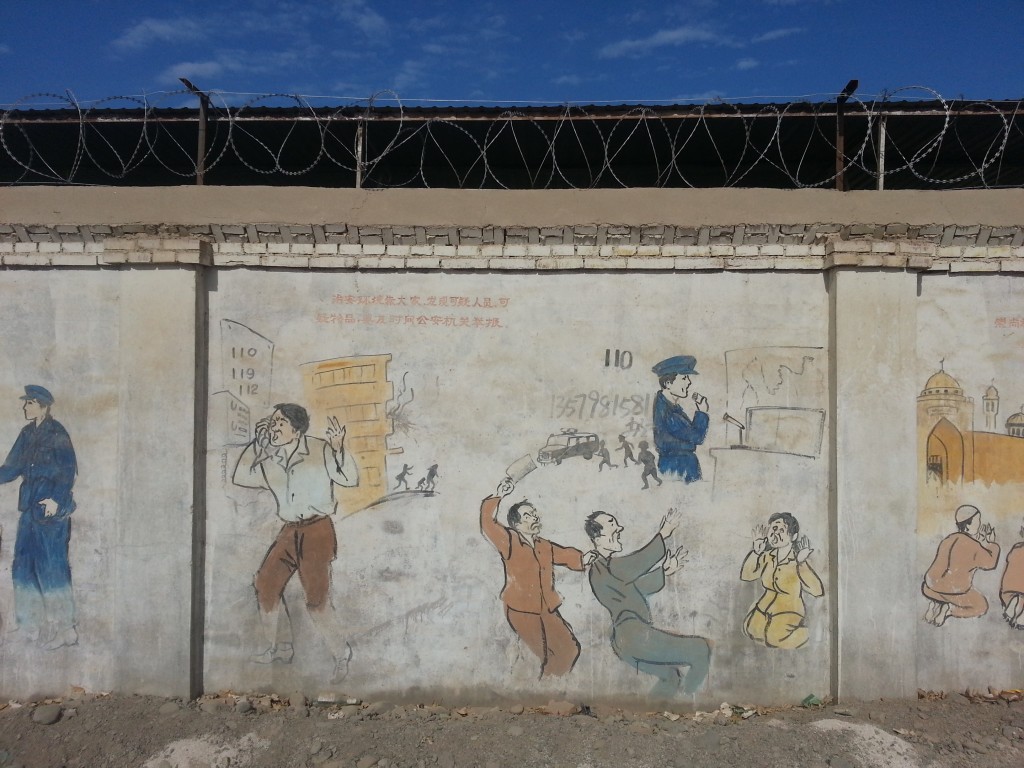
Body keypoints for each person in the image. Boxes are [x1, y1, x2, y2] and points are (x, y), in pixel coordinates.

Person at [232, 403, 358, 676]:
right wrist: (257, 443)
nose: (274, 428)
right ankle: (279, 648)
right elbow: (240, 476)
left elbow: (350, 478)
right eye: (272, 422)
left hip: (317, 531)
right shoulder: (271, 458)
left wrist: (338, 449)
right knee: (265, 583)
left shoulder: (319, 449)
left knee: (316, 601)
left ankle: (341, 652)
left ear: (296, 429)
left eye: (280, 423)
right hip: (290, 530)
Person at [585, 509, 711, 698]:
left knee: (670, 676)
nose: (619, 527)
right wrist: (663, 534)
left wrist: (664, 571)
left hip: (626, 640)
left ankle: (654, 711)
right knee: (701, 648)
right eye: (611, 523)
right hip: (633, 634)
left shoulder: (609, 571)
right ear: (598, 536)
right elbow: (637, 563)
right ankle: (690, 702)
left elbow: (635, 588)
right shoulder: (602, 566)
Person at [479, 477, 592, 677]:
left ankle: (549, 683)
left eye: (534, 513)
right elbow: (487, 523)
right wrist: (499, 494)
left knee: (570, 648)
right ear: (516, 523)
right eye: (528, 515)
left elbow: (566, 555)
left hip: (546, 608)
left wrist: (585, 558)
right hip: (521, 610)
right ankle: (546, 686)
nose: (534, 517)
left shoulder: (543, 545)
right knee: (546, 653)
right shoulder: (510, 541)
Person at [0, 386, 78, 650]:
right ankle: (29, 625)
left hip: (51, 512)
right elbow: (11, 468)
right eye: (25, 403)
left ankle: (65, 629)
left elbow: (68, 472)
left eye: (30, 403)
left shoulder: (57, 433)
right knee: (23, 565)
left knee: (52, 568)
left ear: (44, 406)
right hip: (29, 510)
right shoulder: (26, 434)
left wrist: (55, 499)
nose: (25, 407)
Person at [739, 512, 824, 649]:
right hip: (764, 607)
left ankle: (809, 634)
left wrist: (801, 563)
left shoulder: (797, 560)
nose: (775, 534)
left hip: (789, 610)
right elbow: (747, 576)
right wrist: (756, 552)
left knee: (774, 638)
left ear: (793, 536)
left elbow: (817, 590)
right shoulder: (767, 556)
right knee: (749, 629)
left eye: (781, 530)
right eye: (773, 529)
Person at [922, 504, 1000, 627]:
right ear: (968, 524)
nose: (979, 524)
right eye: (977, 520)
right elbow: (990, 563)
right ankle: (949, 610)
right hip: (953, 591)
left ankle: (936, 603)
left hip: (929, 588)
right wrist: (991, 543)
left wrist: (979, 543)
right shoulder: (973, 545)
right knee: (981, 606)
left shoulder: (949, 539)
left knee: (942, 591)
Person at [651, 356, 710, 483]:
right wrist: (702, 412)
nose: (688, 382)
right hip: (678, 468)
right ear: (668, 383)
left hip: (680, 466)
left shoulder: (671, 408)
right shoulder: (668, 413)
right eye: (684, 378)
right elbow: (698, 437)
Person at [1001, 521, 1024, 629]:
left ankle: (1017, 600)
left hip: (1008, 593)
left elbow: (1005, 576)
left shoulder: (1016, 548)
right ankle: (1019, 603)